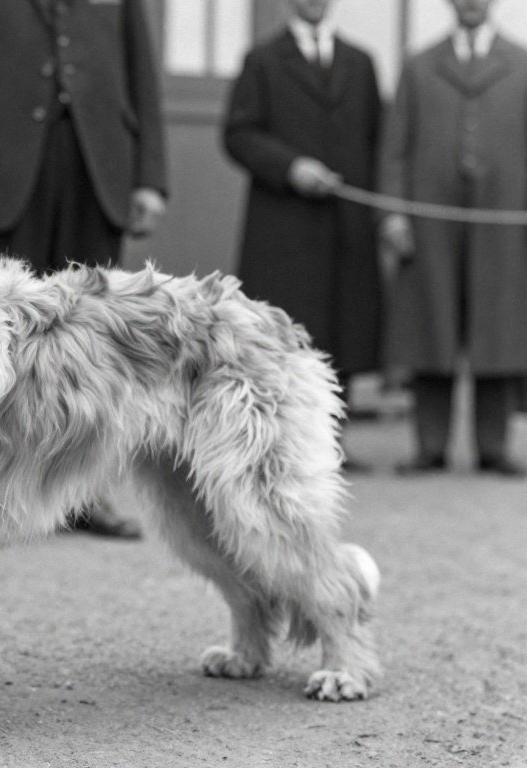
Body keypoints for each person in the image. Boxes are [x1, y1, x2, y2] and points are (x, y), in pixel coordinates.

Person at [0, 0, 168, 538]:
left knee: (90, 342)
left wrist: (150, 176)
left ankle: (86, 492)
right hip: (0, 169)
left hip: (97, 165)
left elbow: (143, 77)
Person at [222, 0, 382, 469]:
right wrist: (290, 167)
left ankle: (333, 441)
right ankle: (281, 444)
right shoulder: (263, 60)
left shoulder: (361, 63)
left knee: (343, 328)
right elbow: (238, 133)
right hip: (283, 225)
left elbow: (378, 138)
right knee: (284, 333)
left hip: (346, 221)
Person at [379, 0, 527, 476]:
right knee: (430, 324)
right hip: (430, 220)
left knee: (499, 328)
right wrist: (393, 214)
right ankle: (430, 445)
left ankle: (493, 446)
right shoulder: (420, 66)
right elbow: (395, 148)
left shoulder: (520, 64)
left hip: (504, 219)